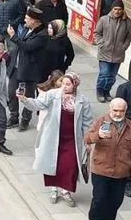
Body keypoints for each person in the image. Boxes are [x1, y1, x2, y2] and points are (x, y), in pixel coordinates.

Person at [19, 72, 93, 207]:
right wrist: (25, 99)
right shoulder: (53, 95)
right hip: (54, 137)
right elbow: (38, 104)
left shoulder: (82, 100)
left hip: (71, 139)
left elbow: (87, 122)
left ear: (75, 85)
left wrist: (88, 139)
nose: (64, 87)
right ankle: (54, 190)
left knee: (69, 166)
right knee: (53, 163)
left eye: (68, 84)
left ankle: (66, 191)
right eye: (63, 83)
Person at [84, 98, 131, 220]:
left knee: (116, 200)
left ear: (125, 111)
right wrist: (97, 135)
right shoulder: (100, 121)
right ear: (110, 109)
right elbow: (86, 138)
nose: (117, 113)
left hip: (121, 171)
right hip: (101, 169)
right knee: (100, 197)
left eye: (121, 111)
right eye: (115, 110)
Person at [6, 6, 49, 131]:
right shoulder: (27, 28)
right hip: (16, 66)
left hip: (30, 70)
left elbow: (27, 47)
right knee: (11, 93)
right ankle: (14, 117)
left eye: (27, 18)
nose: (25, 20)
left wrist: (13, 36)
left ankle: (25, 120)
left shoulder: (42, 35)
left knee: (28, 96)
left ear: (35, 21)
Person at [93, 0, 131, 102]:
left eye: (119, 9)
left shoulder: (127, 22)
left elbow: (129, 36)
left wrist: (124, 46)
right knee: (104, 74)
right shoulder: (104, 19)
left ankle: (107, 91)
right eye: (115, 9)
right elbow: (97, 33)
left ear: (122, 10)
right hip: (104, 53)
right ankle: (100, 91)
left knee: (112, 76)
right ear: (112, 9)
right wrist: (102, 44)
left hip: (118, 54)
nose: (117, 11)